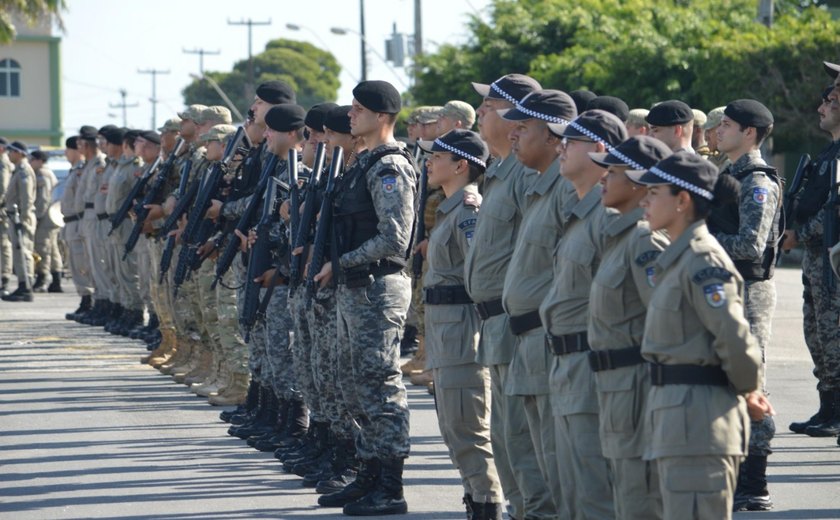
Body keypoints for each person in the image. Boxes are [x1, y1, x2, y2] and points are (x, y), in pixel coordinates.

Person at [628, 151, 773, 519]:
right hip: (675, 420)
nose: (644, 199)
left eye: (654, 192)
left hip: (700, 424)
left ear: (682, 200)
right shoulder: (676, 259)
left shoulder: (703, 261)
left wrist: (747, 392)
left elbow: (737, 342)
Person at [315, 80, 416, 516]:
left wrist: (342, 263)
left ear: (382, 117)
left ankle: (390, 486)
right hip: (355, 288)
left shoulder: (389, 167)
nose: (350, 114)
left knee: (380, 384)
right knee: (354, 384)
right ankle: (369, 473)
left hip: (377, 287)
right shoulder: (361, 162)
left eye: (359, 109)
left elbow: (396, 238)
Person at [464, 72, 555, 520]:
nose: (481, 112)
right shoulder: (500, 170)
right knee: (506, 441)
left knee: (523, 445)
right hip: (495, 323)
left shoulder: (524, 174)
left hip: (517, 323)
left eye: (490, 105)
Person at [540, 110, 628, 519]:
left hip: (591, 367)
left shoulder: (608, 219)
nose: (560, 148)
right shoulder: (580, 215)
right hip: (564, 364)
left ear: (599, 150)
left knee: (596, 494)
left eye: (570, 142)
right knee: (571, 492)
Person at [499, 89, 578, 518]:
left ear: (554, 137)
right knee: (529, 458)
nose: (514, 135)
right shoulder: (537, 187)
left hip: (548, 341)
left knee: (554, 467)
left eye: (524, 127)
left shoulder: (565, 191)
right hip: (525, 340)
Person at [585, 136, 672, 519]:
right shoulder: (619, 237)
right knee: (623, 492)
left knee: (640, 498)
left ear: (639, 183)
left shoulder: (644, 242)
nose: (602, 179)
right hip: (614, 384)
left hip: (636, 386)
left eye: (612, 172)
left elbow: (668, 321)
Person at [419, 129, 503, 519]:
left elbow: (480, 276)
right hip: (444, 331)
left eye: (437, 156)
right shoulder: (451, 208)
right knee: (454, 429)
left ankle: (487, 504)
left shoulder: (468, 211)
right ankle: (475, 499)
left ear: (460, 165)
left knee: (469, 430)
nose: (429, 162)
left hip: (462, 333)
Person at [708, 99, 781, 511]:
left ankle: (756, 482)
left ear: (750, 133)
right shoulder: (729, 174)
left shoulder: (756, 182)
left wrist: (700, 240)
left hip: (749, 292)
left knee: (750, 381)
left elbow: (752, 245)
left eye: (729, 125)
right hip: (729, 287)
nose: (720, 130)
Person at [783, 63, 840, 445]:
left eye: (831, 98)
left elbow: (834, 209)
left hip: (832, 260)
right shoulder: (828, 151)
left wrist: (799, 235)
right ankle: (828, 409)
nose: (822, 104)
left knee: (833, 337)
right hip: (816, 260)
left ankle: (834, 413)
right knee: (817, 335)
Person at [61, 135, 95, 319]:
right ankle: (85, 299)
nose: (66, 153)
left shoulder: (82, 170)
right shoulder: (74, 170)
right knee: (75, 264)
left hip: (78, 221)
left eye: (68, 149)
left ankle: (89, 300)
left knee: (83, 264)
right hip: (70, 223)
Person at [2, 141, 37, 302]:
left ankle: (27, 286)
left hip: (21, 218)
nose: (9, 154)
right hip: (14, 217)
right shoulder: (18, 170)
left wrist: (23, 220)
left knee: (24, 252)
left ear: (20, 153)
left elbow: (26, 198)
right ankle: (23, 284)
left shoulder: (24, 171)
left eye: (12, 152)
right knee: (18, 252)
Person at [29, 150, 61, 292]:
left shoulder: (42, 174)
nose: (30, 162)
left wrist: (36, 218)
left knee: (43, 248)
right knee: (52, 249)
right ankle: (56, 280)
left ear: (40, 161)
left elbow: (43, 200)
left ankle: (42, 279)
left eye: (32, 160)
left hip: (46, 217)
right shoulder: (44, 173)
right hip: (51, 216)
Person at [0, 137, 13, 294]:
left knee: (4, 245)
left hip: (2, 210)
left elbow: (3, 188)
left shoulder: (3, 163)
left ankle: (5, 278)